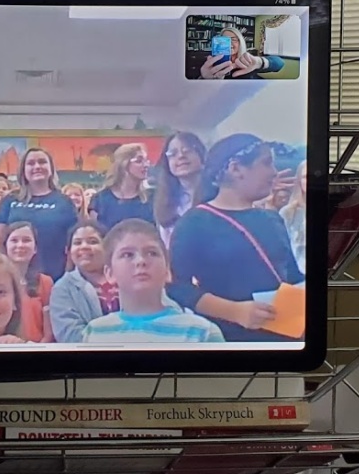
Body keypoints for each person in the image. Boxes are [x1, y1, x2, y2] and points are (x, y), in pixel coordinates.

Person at [168, 134, 303, 343]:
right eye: (266, 163)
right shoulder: (194, 223)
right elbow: (179, 287)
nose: (274, 172)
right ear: (236, 168)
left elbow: (292, 277)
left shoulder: (272, 218)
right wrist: (235, 311)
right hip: (227, 340)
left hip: (285, 339)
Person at [81, 219, 224, 344]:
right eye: (127, 255)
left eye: (152, 253)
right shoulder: (95, 332)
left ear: (167, 270)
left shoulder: (201, 333)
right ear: (109, 273)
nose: (141, 261)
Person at [0, 149, 77, 281]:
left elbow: (72, 244)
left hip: (55, 277)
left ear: (51, 168)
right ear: (23, 170)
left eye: (42, 162)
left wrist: (67, 276)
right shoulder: (10, 200)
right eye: (31, 163)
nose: (37, 166)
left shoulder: (64, 202)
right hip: (15, 278)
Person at [49, 220, 118, 343]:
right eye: (77, 243)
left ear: (107, 248)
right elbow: (69, 334)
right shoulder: (63, 288)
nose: (84, 246)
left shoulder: (127, 278)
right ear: (68, 251)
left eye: (93, 241)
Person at [1, 221, 53, 342]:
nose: (20, 245)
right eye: (14, 240)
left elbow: (48, 334)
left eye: (26, 240)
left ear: (35, 248)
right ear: (6, 247)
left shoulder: (45, 282)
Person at [152, 131, 206, 248]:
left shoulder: (217, 193)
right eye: (173, 153)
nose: (181, 156)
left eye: (187, 151)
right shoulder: (165, 201)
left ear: (201, 155)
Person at [88, 143, 154, 232]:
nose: (146, 165)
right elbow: (95, 234)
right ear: (124, 164)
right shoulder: (100, 199)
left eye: (146, 161)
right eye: (139, 161)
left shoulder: (152, 197)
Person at [199, 27, 285, 80]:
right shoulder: (210, 63)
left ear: (240, 43)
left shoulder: (248, 60)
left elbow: (280, 63)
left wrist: (259, 62)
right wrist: (204, 79)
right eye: (225, 40)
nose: (229, 44)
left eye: (233, 39)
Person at [280, 159, 307, 274]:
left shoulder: (331, 210)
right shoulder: (288, 213)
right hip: (296, 274)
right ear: (299, 181)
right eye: (305, 177)